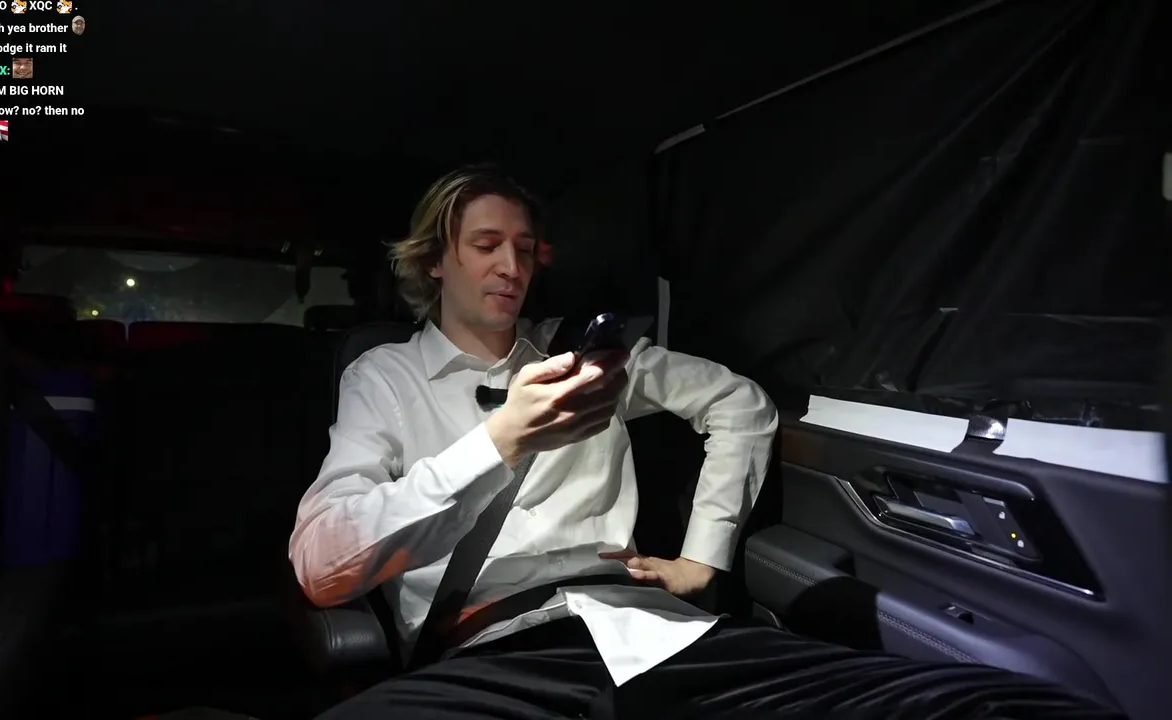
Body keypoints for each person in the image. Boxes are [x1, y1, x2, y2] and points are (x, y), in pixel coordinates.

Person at [290, 165, 1125, 719]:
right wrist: (499, 440)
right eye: (485, 246)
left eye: (524, 249)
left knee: (1007, 707)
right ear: (435, 260)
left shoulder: (586, 359)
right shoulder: (383, 378)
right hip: (491, 654)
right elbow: (322, 566)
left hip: (656, 634)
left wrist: (704, 559)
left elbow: (741, 403)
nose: (511, 266)